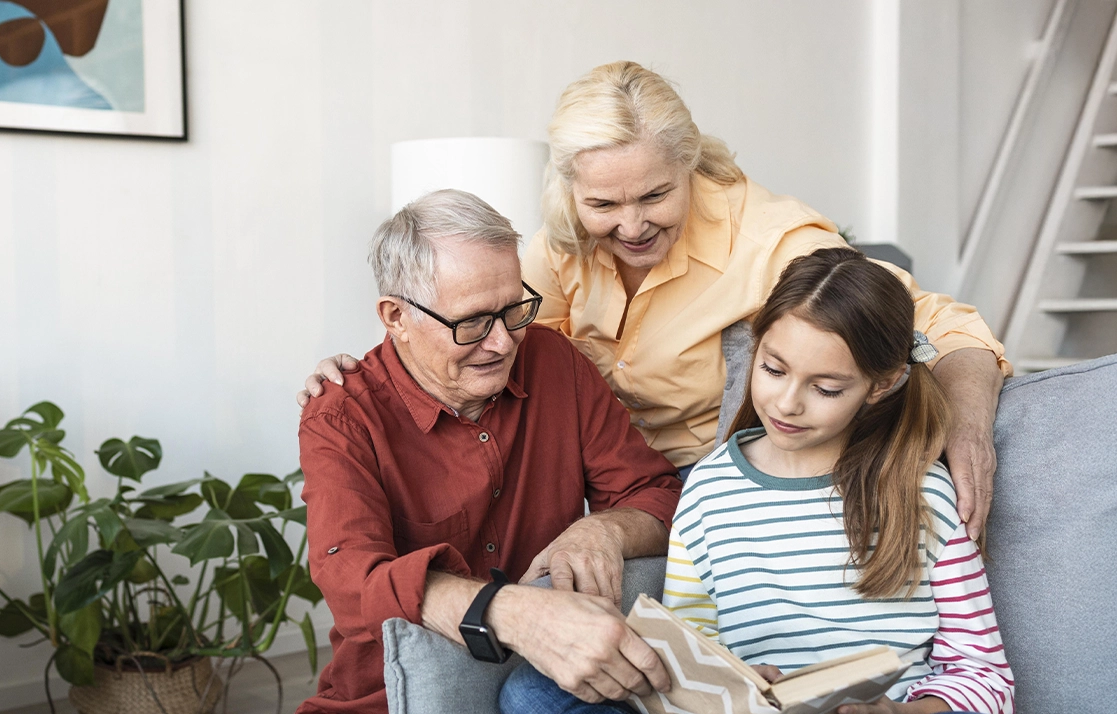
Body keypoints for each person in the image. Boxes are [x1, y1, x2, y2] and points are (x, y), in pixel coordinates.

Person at [299, 63, 1011, 602]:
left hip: (718, 501)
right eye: (604, 202)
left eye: (655, 196)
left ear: (690, 166)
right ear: (571, 192)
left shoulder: (767, 238)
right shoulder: (555, 249)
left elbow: (941, 325)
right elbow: (471, 336)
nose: (632, 225)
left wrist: (970, 422)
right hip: (608, 492)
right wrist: (378, 367)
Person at [500, 247, 1037, 714]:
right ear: (756, 349)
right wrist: (732, 685)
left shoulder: (923, 490)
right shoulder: (708, 490)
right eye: (773, 369)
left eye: (825, 389)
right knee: (530, 695)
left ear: (881, 385)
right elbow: (691, 648)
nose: (787, 402)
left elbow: (983, 673)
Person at [210, 190, 684, 714]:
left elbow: (658, 493)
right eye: (471, 323)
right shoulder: (342, 415)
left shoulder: (553, 362)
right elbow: (351, 578)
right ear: (396, 316)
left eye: (514, 310)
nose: (502, 343)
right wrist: (508, 611)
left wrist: (606, 528)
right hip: (384, 711)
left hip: (559, 688)